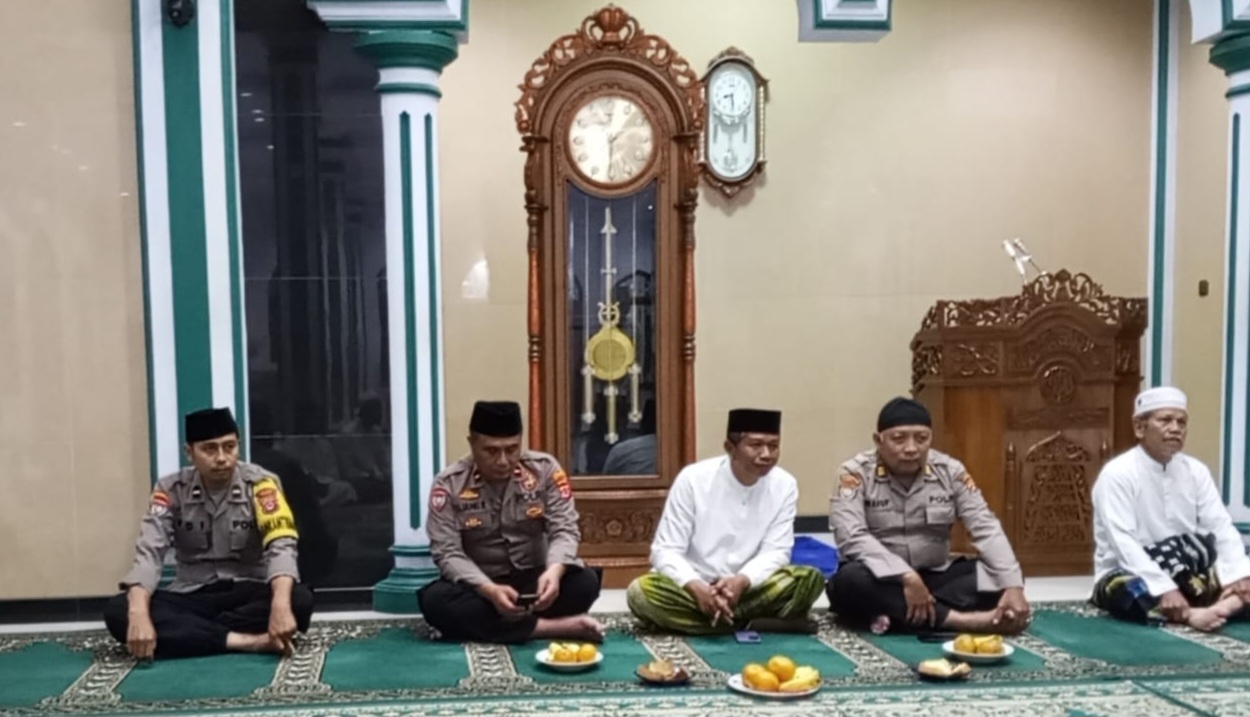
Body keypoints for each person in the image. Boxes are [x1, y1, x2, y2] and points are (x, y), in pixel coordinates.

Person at [103, 408, 314, 660]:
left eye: (229, 447)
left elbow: (281, 545)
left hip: (247, 589)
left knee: (299, 600)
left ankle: (192, 635)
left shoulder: (262, 484)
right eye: (210, 449)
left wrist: (280, 605)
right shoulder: (170, 489)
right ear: (189, 452)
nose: (222, 458)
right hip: (193, 594)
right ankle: (248, 641)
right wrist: (138, 613)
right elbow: (149, 552)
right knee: (119, 611)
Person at [827, 397, 1030, 635]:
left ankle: (897, 614)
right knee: (848, 582)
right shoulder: (854, 473)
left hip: (936, 576)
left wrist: (1013, 586)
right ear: (878, 440)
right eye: (899, 439)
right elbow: (851, 537)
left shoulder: (950, 471)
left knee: (1002, 574)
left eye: (921, 439)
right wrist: (906, 576)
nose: (911, 448)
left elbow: (985, 527)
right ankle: (960, 621)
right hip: (881, 577)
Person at [418, 401, 604, 643]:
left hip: (534, 581)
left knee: (585, 583)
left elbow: (565, 530)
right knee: (436, 601)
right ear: (472, 444)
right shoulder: (449, 483)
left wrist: (555, 571)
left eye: (512, 449)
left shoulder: (545, 470)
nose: (503, 460)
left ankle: (503, 627)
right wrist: (489, 590)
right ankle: (555, 627)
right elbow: (446, 552)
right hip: (480, 586)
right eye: (491, 451)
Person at [626, 409, 824, 634]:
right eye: (756, 445)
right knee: (640, 592)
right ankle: (749, 623)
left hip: (748, 589)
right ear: (730, 448)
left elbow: (777, 551)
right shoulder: (693, 479)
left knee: (808, 579)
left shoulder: (785, 484)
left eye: (774, 446)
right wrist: (696, 587)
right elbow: (665, 551)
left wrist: (742, 581)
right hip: (693, 587)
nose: (766, 454)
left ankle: (711, 622)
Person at [1091, 386, 1250, 631]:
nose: (1175, 428)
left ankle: (1220, 609)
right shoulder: (1117, 474)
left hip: (1189, 572)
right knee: (1127, 592)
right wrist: (1163, 587)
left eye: (1181, 422)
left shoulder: (1195, 471)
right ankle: (1194, 614)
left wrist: (1239, 574)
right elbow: (1123, 543)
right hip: (1132, 571)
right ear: (1140, 427)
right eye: (1165, 420)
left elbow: (1219, 525)